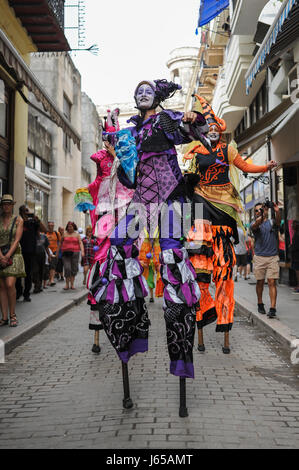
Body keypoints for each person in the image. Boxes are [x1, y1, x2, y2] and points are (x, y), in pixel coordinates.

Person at [89, 79, 207, 379]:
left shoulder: (168, 119)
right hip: (141, 202)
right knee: (117, 248)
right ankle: (131, 325)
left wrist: (194, 118)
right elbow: (129, 179)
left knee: (173, 260)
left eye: (148, 90)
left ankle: (180, 344)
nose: (143, 94)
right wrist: (118, 143)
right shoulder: (130, 133)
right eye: (138, 90)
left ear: (157, 96)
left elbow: (190, 129)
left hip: (172, 200)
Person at [184, 94, 277, 352]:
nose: (212, 131)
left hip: (224, 209)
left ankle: (224, 318)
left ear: (221, 133)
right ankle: (204, 310)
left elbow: (245, 166)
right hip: (201, 207)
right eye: (208, 128)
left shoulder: (228, 150)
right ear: (204, 131)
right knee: (200, 271)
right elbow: (187, 176)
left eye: (216, 128)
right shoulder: (196, 151)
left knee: (224, 273)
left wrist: (266, 167)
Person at [251, 202, 281, 318]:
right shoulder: (254, 224)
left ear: (266, 211)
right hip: (259, 257)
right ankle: (260, 303)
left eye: (261, 209)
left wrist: (277, 211)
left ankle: (273, 308)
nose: (258, 211)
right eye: (257, 210)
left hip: (272, 257)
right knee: (260, 282)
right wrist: (262, 214)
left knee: (272, 282)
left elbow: (278, 221)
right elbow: (256, 226)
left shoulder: (271, 222)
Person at [0, 195, 25, 327]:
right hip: (0, 254)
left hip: (14, 254)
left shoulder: (18, 220)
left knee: (10, 284)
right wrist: (1, 256)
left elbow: (17, 240)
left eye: (9, 204)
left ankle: (13, 315)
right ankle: (4, 317)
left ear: (12, 205)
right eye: (4, 204)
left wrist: (7, 255)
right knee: (2, 286)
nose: (6, 206)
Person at [16, 205, 47, 301]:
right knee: (17, 274)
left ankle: (26, 294)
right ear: (20, 212)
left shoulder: (32, 222)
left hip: (30, 252)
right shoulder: (17, 221)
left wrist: (37, 219)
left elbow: (44, 230)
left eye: (27, 211)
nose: (26, 213)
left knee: (28, 274)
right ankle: (18, 292)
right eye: (25, 211)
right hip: (18, 251)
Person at [59, 221, 84, 290]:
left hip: (75, 253)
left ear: (74, 227)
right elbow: (60, 244)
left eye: (71, 227)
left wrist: (82, 251)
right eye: (68, 226)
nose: (69, 228)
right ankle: (67, 284)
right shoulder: (64, 234)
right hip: (65, 253)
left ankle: (72, 284)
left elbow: (80, 243)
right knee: (67, 268)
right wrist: (58, 253)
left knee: (74, 268)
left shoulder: (77, 235)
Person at [32, 228, 51, 293]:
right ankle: (36, 285)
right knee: (35, 270)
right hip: (34, 255)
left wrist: (49, 256)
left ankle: (39, 285)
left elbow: (46, 247)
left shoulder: (44, 236)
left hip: (42, 255)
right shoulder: (32, 236)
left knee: (41, 270)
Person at [46, 221, 61, 286]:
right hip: (47, 252)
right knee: (47, 266)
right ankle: (48, 280)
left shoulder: (56, 233)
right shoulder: (45, 233)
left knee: (53, 265)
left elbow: (59, 243)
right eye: (49, 226)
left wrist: (57, 252)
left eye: (52, 225)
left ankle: (51, 280)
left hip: (54, 251)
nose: (51, 227)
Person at [290, 220, 299, 293]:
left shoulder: (297, 234)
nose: (291, 226)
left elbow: (296, 246)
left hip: (297, 256)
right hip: (295, 256)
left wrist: (292, 247)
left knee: (297, 271)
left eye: (293, 224)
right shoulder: (296, 233)